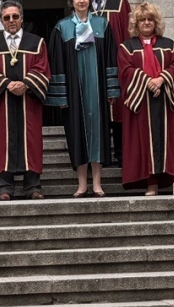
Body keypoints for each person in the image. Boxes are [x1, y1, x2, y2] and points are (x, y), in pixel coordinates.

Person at [117, 2, 174, 196]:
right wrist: (147, 80)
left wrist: (161, 79)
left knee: (170, 142)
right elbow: (125, 71)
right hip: (141, 102)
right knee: (144, 143)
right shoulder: (127, 47)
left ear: (156, 22)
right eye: (142, 20)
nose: (146, 23)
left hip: (164, 102)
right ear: (136, 23)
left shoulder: (169, 44)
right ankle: (151, 182)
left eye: (150, 19)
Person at [46, 0, 120, 197]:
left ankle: (97, 183)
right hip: (74, 91)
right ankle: (81, 184)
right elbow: (57, 63)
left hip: (97, 91)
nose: (81, 1)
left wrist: (112, 90)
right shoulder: (61, 28)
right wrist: (61, 95)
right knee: (77, 133)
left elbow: (112, 57)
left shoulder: (102, 24)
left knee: (98, 133)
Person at [0, 0, 50, 201]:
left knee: (32, 141)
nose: (11, 21)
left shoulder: (37, 43)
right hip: (4, 100)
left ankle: (33, 187)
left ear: (22, 18)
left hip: (29, 101)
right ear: (1, 20)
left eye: (15, 16)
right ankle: (4, 188)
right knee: (4, 141)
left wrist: (26, 83)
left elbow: (43, 67)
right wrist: (7, 84)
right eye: (7, 17)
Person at [90, 0, 130, 165]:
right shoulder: (84, 4)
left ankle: (121, 154)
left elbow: (128, 34)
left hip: (116, 65)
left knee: (118, 110)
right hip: (91, 67)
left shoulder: (119, 3)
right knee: (95, 109)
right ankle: (100, 156)